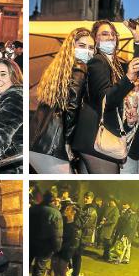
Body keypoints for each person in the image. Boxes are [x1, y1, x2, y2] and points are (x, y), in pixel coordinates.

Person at [71, 20, 139, 173]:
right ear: (95, 39)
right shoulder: (98, 62)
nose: (110, 37)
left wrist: (137, 38)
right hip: (96, 137)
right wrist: (127, 78)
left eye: (113, 34)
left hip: (93, 140)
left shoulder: (115, 65)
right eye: (104, 34)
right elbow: (106, 100)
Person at [30, 28, 94, 174]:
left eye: (91, 47)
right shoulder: (79, 68)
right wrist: (67, 142)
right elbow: (72, 108)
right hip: (53, 146)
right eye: (82, 46)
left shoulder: (59, 71)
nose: (87, 51)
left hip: (36, 144)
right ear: (72, 47)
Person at [29, 191, 63, 276]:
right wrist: (57, 248)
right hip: (45, 246)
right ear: (54, 200)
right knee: (38, 271)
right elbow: (57, 233)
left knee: (27, 267)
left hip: (31, 243)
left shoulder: (33, 209)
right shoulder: (55, 213)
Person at [47, 203, 81, 276]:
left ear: (74, 212)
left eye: (68, 209)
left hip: (66, 251)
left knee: (62, 272)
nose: (65, 210)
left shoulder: (76, 226)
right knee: (55, 270)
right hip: (59, 249)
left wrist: (66, 253)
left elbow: (74, 243)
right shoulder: (64, 222)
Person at [68, 191, 98, 276]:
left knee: (77, 257)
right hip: (79, 237)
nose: (85, 199)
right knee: (75, 257)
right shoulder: (86, 208)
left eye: (88, 198)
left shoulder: (92, 211)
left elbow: (83, 224)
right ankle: (74, 275)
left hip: (83, 238)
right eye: (85, 197)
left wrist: (74, 217)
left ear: (92, 199)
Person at [99, 197, 120, 261]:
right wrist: (103, 218)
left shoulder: (116, 210)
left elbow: (113, 220)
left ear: (115, 203)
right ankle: (104, 256)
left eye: (112, 201)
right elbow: (105, 215)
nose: (110, 202)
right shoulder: (109, 208)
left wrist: (105, 222)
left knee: (107, 243)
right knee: (105, 243)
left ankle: (106, 257)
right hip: (105, 227)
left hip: (109, 228)